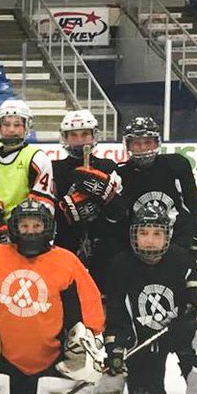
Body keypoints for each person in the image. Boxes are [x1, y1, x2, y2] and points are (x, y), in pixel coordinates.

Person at [0, 199, 105, 394]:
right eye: (24, 226)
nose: (30, 232)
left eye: (36, 226)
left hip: (52, 361)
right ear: (14, 229)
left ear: (47, 228)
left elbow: (89, 308)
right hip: (5, 360)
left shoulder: (66, 261)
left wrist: (87, 340)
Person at [101, 204, 197, 394]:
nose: (150, 240)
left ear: (167, 236)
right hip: (141, 342)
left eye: (157, 233)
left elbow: (193, 277)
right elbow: (115, 312)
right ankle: (136, 377)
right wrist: (115, 346)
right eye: (144, 233)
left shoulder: (179, 257)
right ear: (134, 235)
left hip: (174, 331)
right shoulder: (121, 264)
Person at [0, 99, 54, 248]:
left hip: (28, 234)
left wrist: (13, 229)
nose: (11, 130)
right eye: (6, 124)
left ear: (27, 126)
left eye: (17, 124)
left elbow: (43, 205)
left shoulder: (37, 158)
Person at [51, 110, 124, 286]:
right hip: (66, 244)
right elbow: (51, 213)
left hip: (104, 245)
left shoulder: (108, 166)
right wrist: (68, 212)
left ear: (94, 135)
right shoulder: (55, 169)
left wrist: (106, 197)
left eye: (85, 134)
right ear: (65, 138)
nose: (80, 140)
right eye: (73, 135)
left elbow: (119, 213)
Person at [117, 116, 197, 259]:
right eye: (137, 143)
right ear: (128, 145)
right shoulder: (121, 174)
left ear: (157, 143)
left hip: (177, 245)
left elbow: (193, 205)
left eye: (148, 142)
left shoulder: (177, 165)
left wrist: (192, 237)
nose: (143, 147)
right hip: (138, 248)